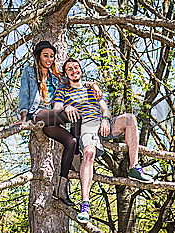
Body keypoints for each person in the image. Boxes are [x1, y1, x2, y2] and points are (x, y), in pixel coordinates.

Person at [53, 58, 154, 223]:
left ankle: (134, 167)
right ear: (65, 74)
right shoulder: (63, 91)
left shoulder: (91, 88)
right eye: (69, 69)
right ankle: (85, 204)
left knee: (130, 119)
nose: (74, 70)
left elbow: (105, 109)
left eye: (76, 67)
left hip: (102, 124)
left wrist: (106, 120)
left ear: (80, 70)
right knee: (89, 153)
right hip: (85, 126)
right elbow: (56, 109)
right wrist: (66, 107)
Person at [16, 41, 101, 206]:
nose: (49, 59)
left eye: (52, 56)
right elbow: (24, 94)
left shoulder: (57, 75)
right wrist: (24, 117)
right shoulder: (29, 71)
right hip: (39, 114)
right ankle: (79, 156)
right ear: (38, 56)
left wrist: (93, 84)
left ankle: (61, 188)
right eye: (45, 55)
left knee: (71, 141)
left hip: (52, 120)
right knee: (76, 113)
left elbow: (76, 81)